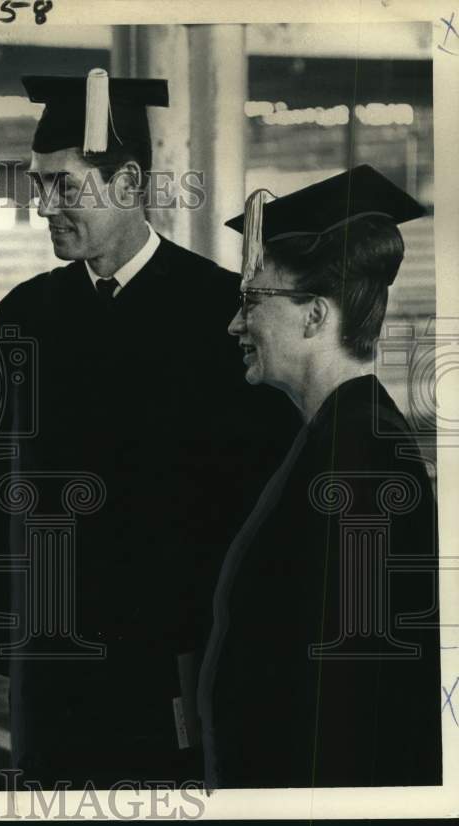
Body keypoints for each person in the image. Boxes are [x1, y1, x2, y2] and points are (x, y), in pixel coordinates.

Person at [0, 70, 298, 788]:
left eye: (63, 187)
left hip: (170, 661)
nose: (42, 206)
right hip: (49, 664)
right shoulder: (30, 312)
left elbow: (262, 490)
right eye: (37, 185)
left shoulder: (216, 313)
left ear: (129, 181)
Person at [198, 164, 442, 788]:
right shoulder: (334, 435)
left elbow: (356, 698)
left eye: (253, 300)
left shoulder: (359, 466)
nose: (234, 324)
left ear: (314, 316)